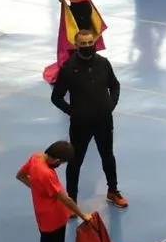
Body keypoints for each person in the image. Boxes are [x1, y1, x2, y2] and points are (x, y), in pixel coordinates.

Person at [51, 28, 125, 209]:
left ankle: (113, 191)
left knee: (108, 156)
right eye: (83, 44)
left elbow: (114, 85)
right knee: (75, 161)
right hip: (80, 124)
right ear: (76, 45)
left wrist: (111, 105)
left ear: (94, 43)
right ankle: (71, 200)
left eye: (89, 43)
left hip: (104, 121)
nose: (87, 46)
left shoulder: (104, 63)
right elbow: (56, 97)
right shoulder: (68, 68)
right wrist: (73, 112)